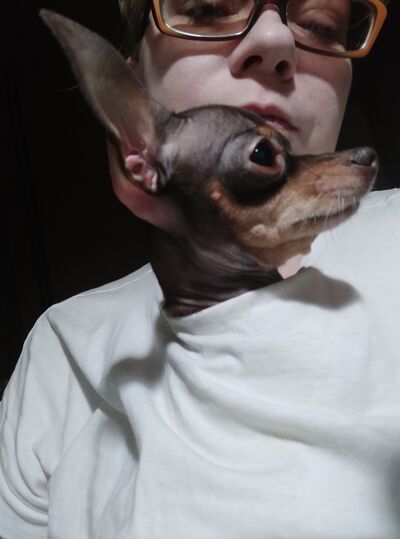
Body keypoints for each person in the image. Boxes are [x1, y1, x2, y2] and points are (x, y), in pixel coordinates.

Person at [1, 0, 399, 537]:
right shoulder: (61, 353)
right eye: (209, 9)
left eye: (319, 25)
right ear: (131, 101)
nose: (275, 40)